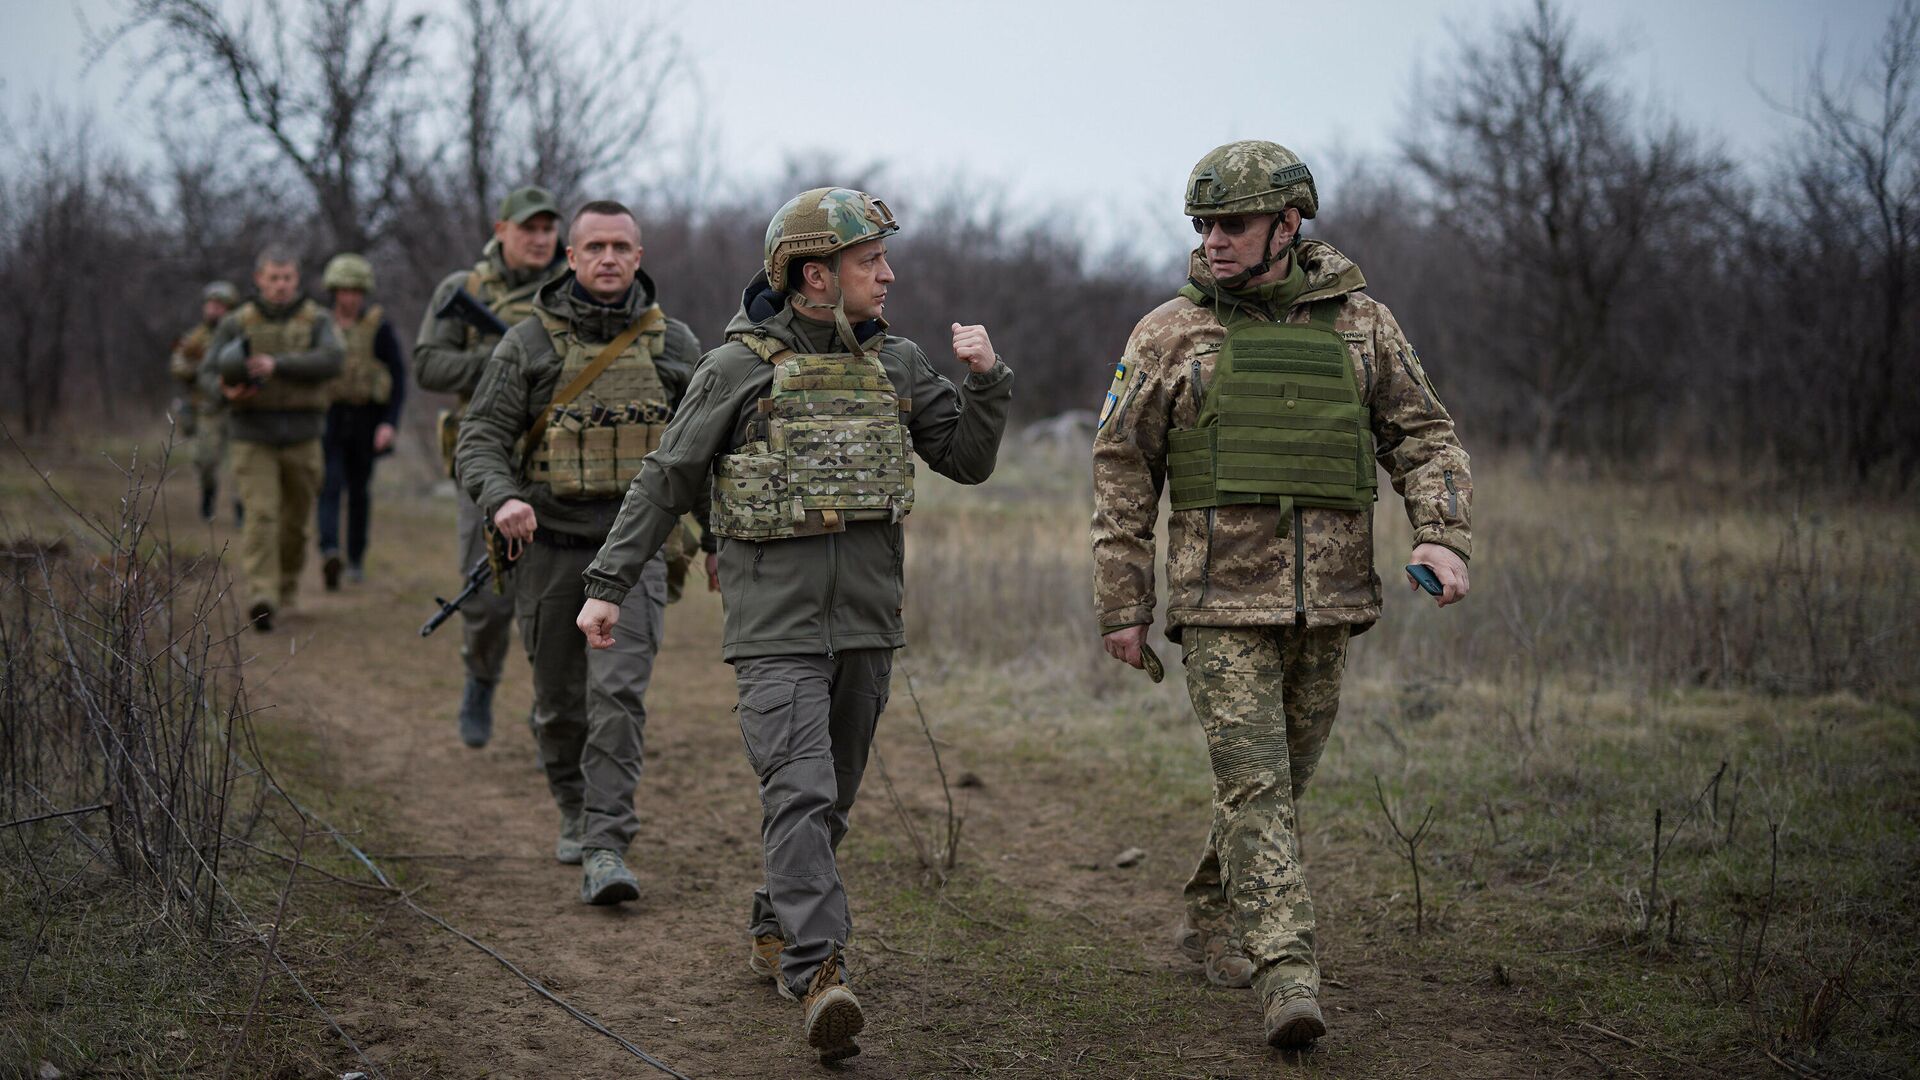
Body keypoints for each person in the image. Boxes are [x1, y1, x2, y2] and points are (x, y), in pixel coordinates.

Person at [576, 187, 1014, 1063]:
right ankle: (820, 973)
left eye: (883, 262)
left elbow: (964, 460)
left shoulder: (897, 363)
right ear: (816, 275)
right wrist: (608, 583)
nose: (886, 276)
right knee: (801, 790)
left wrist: (987, 382)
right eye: (868, 263)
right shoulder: (736, 369)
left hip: (865, 624)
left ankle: (777, 923)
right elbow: (666, 479)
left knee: (832, 797)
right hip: (773, 626)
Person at [1089, 141, 1474, 1050]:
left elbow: (1424, 436)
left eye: (1233, 224)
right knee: (1255, 784)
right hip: (1218, 604)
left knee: (1282, 783)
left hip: (1330, 601)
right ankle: (1288, 975)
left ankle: (1212, 909)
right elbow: (1120, 472)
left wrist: (1441, 533)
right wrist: (1123, 603)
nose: (1214, 241)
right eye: (1204, 225)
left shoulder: (1363, 328)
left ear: (1289, 225)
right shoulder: (1169, 334)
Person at [455, 199, 701, 905]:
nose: (608, 259)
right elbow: (480, 437)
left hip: (635, 556)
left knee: (617, 696)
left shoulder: (673, 344)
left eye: (621, 246)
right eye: (593, 246)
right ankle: (572, 804)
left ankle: (606, 842)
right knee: (560, 704)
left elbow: (703, 448)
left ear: (639, 255)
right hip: (551, 549)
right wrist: (502, 497)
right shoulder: (528, 345)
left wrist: (716, 538)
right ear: (570, 256)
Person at [416, 186, 568, 747]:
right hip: (484, 462)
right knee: (484, 597)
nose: (539, 238)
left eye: (548, 228)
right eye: (528, 227)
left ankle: (550, 715)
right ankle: (480, 681)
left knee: (555, 599)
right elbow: (428, 365)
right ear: (502, 230)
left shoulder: (570, 291)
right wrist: (503, 359)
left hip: (558, 465)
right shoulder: (464, 290)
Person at [204, 247, 345, 632]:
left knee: (295, 522)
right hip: (253, 434)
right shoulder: (236, 323)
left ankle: (286, 589)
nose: (281, 285)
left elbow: (334, 360)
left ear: (296, 279)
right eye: (273, 278)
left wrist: (278, 365)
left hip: (303, 435)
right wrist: (225, 391)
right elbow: (207, 372)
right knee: (261, 515)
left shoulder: (317, 319)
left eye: (287, 278)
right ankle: (261, 596)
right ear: (259, 279)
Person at [316, 253, 407, 588]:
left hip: (367, 418)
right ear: (334, 291)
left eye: (355, 291)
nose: (349, 298)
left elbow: (398, 377)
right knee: (328, 485)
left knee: (358, 491)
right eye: (343, 290)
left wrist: (389, 424)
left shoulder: (378, 327)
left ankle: (354, 558)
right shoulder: (320, 324)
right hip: (329, 417)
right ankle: (329, 551)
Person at [169, 280, 239, 522]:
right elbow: (177, 365)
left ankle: (241, 507)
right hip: (207, 408)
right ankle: (208, 495)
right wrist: (204, 368)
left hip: (237, 408)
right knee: (205, 460)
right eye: (210, 304)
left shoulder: (239, 336)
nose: (214, 310)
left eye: (220, 305)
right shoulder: (195, 338)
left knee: (241, 462)